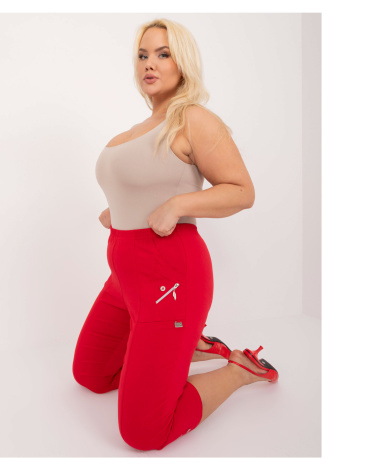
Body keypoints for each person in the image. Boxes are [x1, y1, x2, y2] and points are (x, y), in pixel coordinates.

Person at [72, 18, 279, 452]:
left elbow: (242, 191)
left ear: (182, 63)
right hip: (124, 280)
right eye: (143, 55)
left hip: (170, 279)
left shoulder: (193, 118)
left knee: (142, 433)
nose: (150, 63)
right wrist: (119, 209)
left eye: (163, 54)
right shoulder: (135, 130)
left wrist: (179, 205)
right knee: (91, 375)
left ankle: (238, 369)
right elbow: (145, 181)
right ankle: (189, 345)